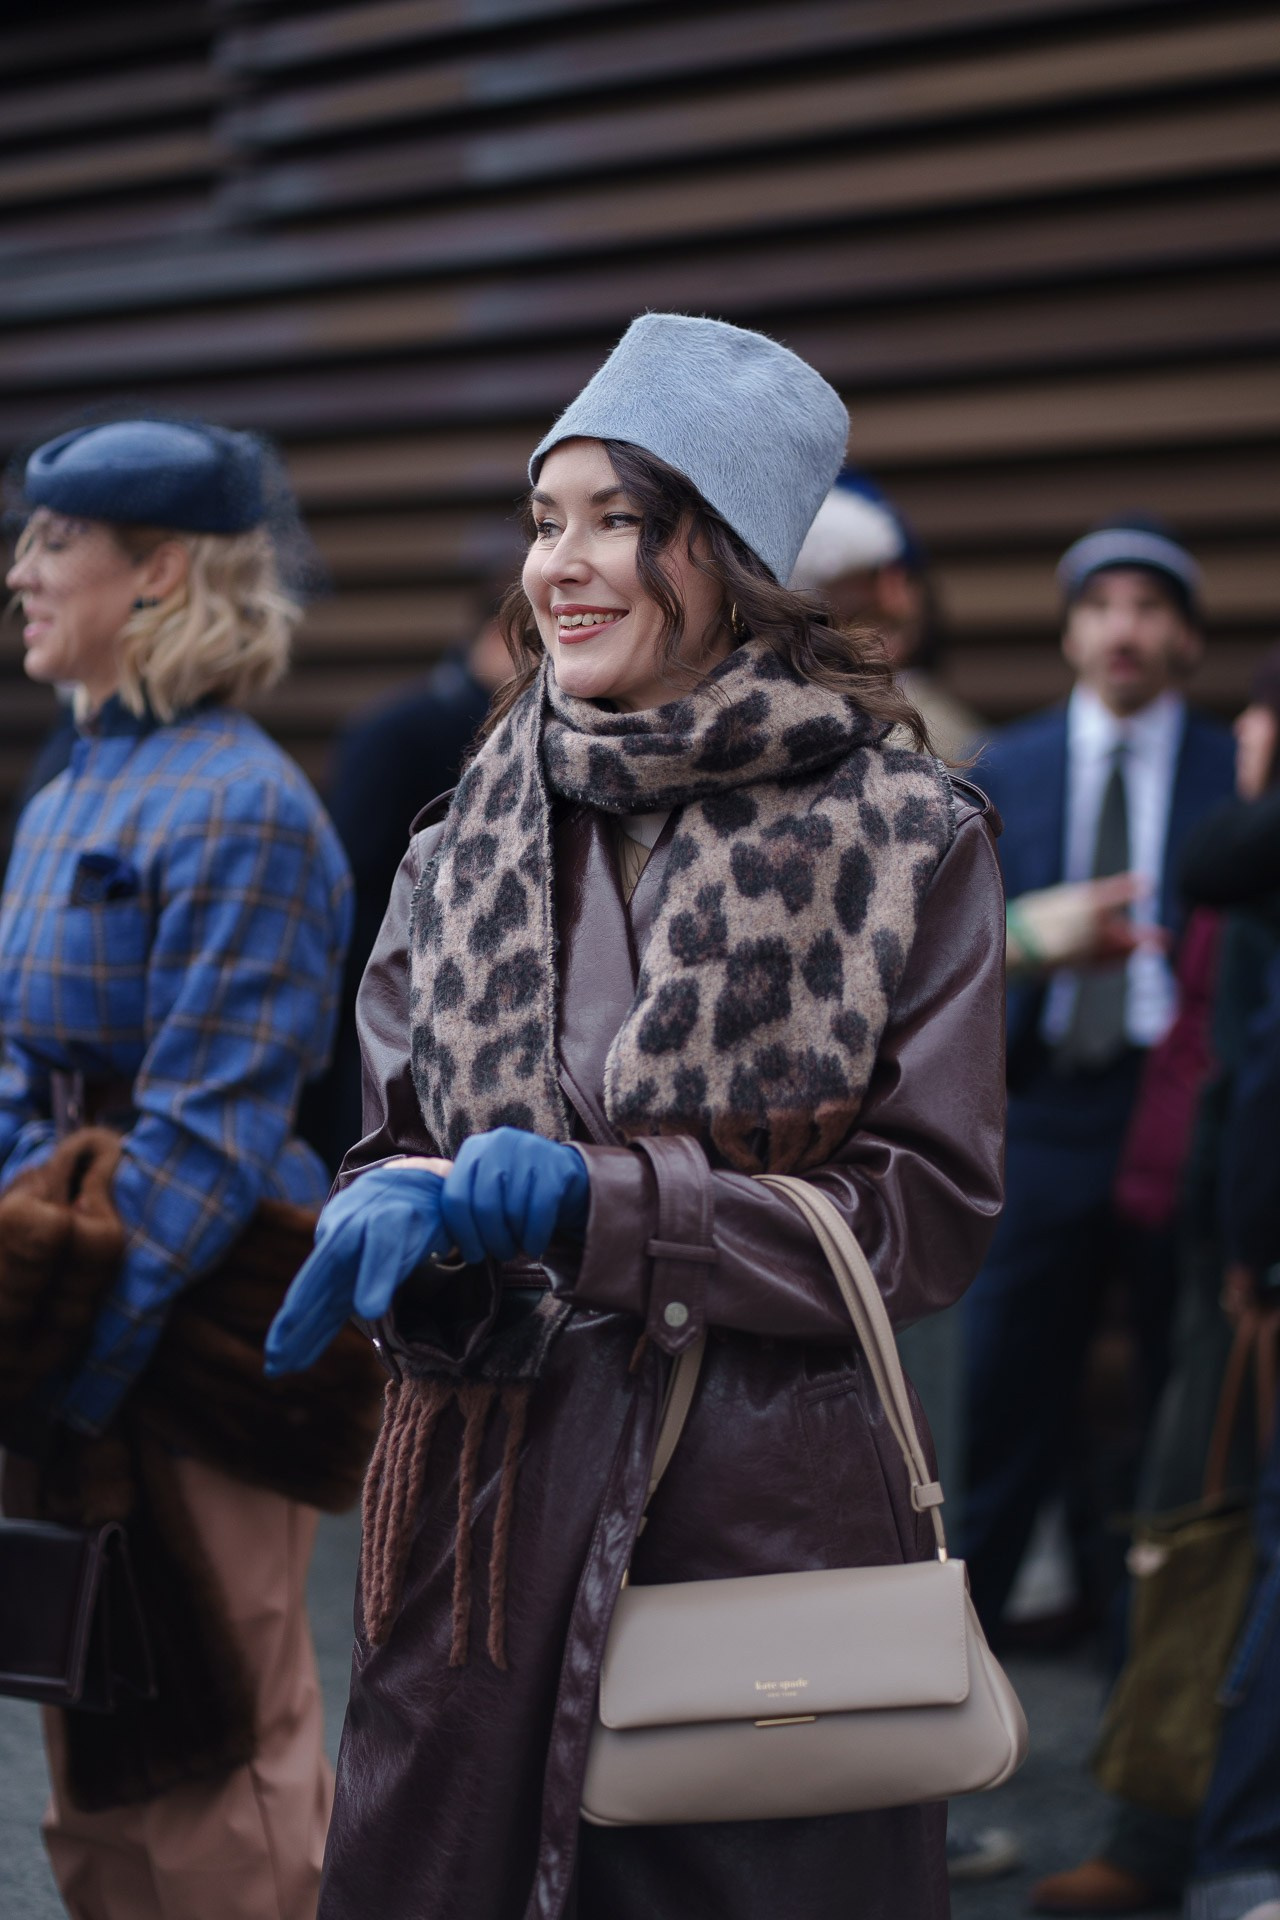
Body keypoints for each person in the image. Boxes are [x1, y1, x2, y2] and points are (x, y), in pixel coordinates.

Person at [266, 312, 1008, 1919]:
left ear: (734, 557)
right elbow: (398, 1121)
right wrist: (394, 1201)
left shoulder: (907, 837)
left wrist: (607, 1209)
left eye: (623, 520)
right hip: (475, 1523)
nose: (566, 565)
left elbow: (925, 1222)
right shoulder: (461, 829)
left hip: (759, 1514)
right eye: (549, 520)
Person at [0, 418, 361, 1920]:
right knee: (92, 1719)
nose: (18, 571)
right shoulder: (76, 773)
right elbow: (22, 1057)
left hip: (199, 1317)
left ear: (157, 574)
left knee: (224, 1741)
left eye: (51, 543)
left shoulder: (242, 799)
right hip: (75, 1300)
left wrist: (63, 1358)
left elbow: (209, 1127)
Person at [1032, 647, 1280, 1918]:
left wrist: (1247, 1251)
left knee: (1213, 1533)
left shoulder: (1240, 849)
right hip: (1197, 1231)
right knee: (1189, 1522)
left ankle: (1207, 1844)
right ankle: (1172, 1829)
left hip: (1243, 1256)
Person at [961, 518, 1236, 1639]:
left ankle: (1152, 1651)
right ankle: (953, 1651)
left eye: (1148, 607)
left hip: (1181, 1106)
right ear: (1070, 631)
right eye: (1101, 605)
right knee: (1003, 1386)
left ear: (1182, 638)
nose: (1123, 628)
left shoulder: (1233, 765)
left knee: (1176, 1381)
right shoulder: (1002, 765)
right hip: (1040, 1108)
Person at [304, 578, 512, 1171]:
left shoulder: (515, 734)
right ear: (498, 637)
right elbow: (349, 881)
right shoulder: (400, 731)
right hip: (385, 1002)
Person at [790, 465, 984, 763]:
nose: (895, 602)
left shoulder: (942, 722)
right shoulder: (796, 722)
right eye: (865, 582)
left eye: (904, 578)